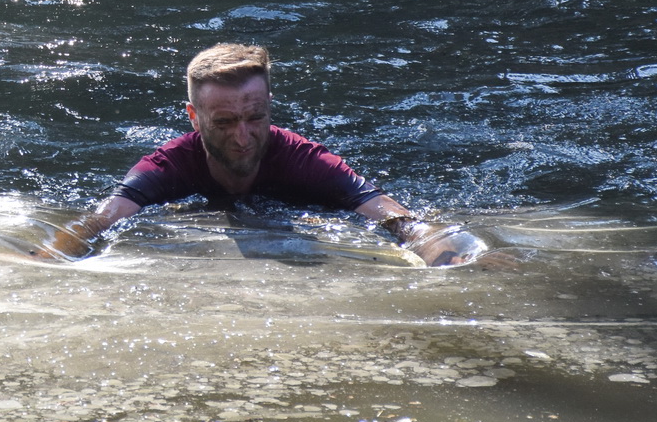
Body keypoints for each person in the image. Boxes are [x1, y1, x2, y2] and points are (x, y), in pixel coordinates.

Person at [42, 43, 495, 267]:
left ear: (269, 107)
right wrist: (46, 259)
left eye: (255, 117)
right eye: (223, 122)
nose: (243, 137)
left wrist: (452, 256)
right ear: (193, 116)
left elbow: (399, 219)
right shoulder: (170, 164)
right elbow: (99, 221)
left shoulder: (303, 159)